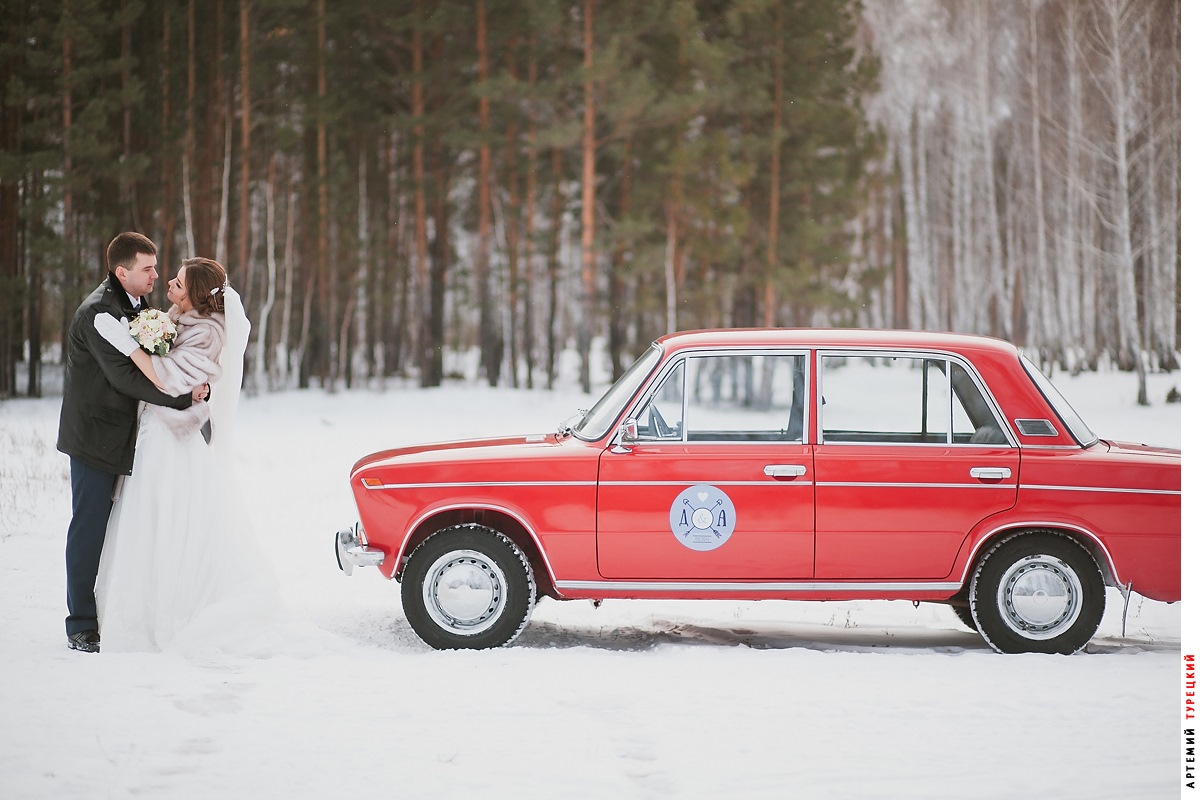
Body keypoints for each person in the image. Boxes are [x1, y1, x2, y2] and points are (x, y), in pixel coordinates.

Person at [92, 257, 281, 655]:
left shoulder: (207, 332)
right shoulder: (179, 319)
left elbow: (169, 379)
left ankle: (167, 613)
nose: (169, 287)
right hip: (156, 429)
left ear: (196, 294)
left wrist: (127, 345)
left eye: (177, 283)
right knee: (146, 520)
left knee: (166, 521)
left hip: (171, 440)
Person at [57, 232, 207, 654]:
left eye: (157, 267)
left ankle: (113, 608)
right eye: (148, 269)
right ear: (122, 272)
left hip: (128, 435)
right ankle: (80, 623)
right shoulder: (97, 314)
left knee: (124, 528)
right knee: (89, 527)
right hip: (94, 435)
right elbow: (126, 377)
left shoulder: (138, 306)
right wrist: (181, 398)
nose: (157, 276)